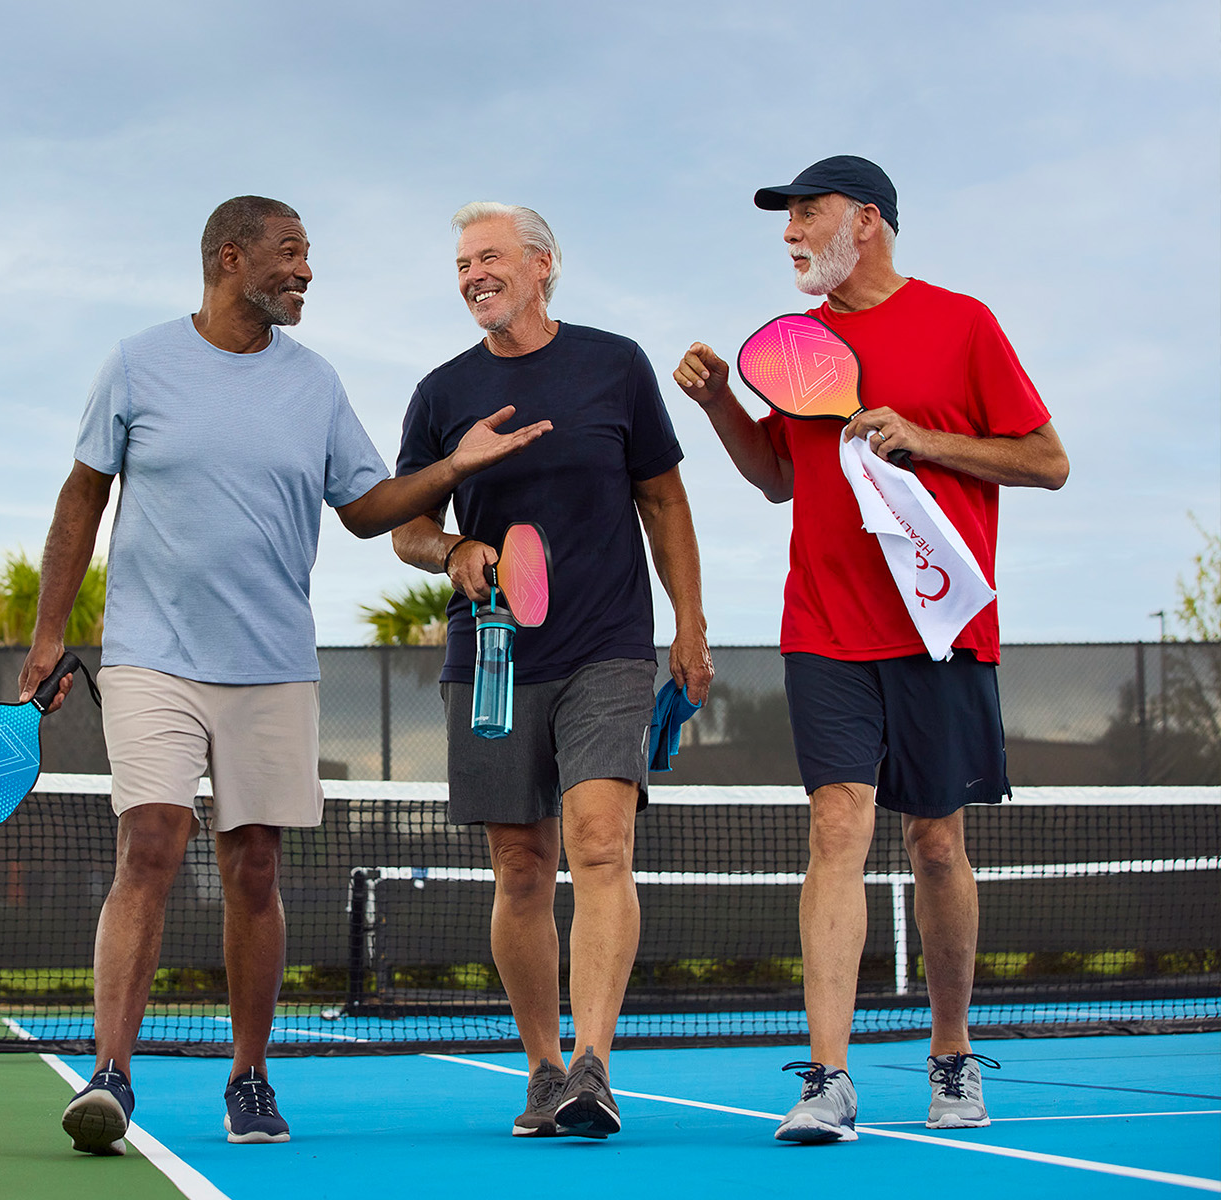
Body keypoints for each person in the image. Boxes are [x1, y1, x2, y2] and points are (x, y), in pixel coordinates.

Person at [22, 195, 551, 1155]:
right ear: (231, 258)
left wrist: (453, 468)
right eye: (291, 254)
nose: (307, 272)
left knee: (254, 867)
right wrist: (48, 632)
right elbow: (81, 497)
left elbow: (364, 508)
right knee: (149, 843)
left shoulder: (315, 384)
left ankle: (251, 1077)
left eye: (310, 256)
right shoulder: (139, 363)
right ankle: (111, 1073)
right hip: (151, 655)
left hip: (271, 664)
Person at [674, 156, 1069, 1143]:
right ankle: (828, 1079)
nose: (790, 232)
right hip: (823, 626)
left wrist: (926, 440)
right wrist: (721, 401)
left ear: (869, 222)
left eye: (807, 213)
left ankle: (949, 1053)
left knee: (934, 842)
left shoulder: (962, 323)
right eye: (787, 217)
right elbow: (775, 477)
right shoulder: (798, 345)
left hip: (941, 627)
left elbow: (1046, 461)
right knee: (835, 832)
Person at [391, 202, 714, 1139]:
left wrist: (689, 625)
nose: (470, 276)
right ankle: (541, 1070)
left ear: (542, 267)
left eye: (487, 258)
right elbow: (406, 524)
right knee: (520, 863)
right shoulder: (440, 393)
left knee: (600, 839)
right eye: (460, 264)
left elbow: (664, 497)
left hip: (607, 647)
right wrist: (450, 550)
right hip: (489, 656)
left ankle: (593, 1066)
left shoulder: (615, 365)